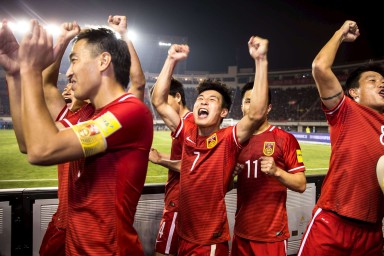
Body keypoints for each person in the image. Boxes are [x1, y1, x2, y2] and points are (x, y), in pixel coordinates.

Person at [12, 19, 153, 255]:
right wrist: (14, 75)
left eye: (74, 60)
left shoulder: (130, 112)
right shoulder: (87, 115)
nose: (68, 72)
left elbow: (42, 150)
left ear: (103, 61)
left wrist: (30, 70)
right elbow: (28, 143)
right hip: (75, 248)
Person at [151, 36, 269, 255]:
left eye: (212, 100)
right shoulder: (186, 130)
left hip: (208, 241)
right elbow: (158, 101)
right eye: (200, 98)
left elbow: (256, 113)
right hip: (184, 233)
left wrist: (260, 60)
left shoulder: (229, 138)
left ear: (223, 112)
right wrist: (170, 60)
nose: (203, 101)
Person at [297, 20, 384, 256]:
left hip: (373, 230)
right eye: (372, 80)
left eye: (383, 81)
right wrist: (340, 33)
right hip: (333, 221)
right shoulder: (346, 110)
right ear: (353, 93)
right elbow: (320, 67)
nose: (381, 83)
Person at [231, 82, 307, 256]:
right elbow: (224, 187)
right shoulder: (234, 140)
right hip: (241, 231)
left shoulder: (285, 139)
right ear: (242, 106)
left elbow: (301, 184)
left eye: (259, 101)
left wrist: (277, 172)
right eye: (248, 101)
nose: (253, 105)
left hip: (271, 236)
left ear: (268, 107)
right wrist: (229, 176)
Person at [149, 78, 193, 256]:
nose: (160, 110)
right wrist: (162, 156)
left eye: (163, 102)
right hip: (178, 201)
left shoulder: (190, 125)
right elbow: (183, 158)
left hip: (178, 202)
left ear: (177, 97)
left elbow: (193, 166)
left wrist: (161, 161)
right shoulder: (184, 125)